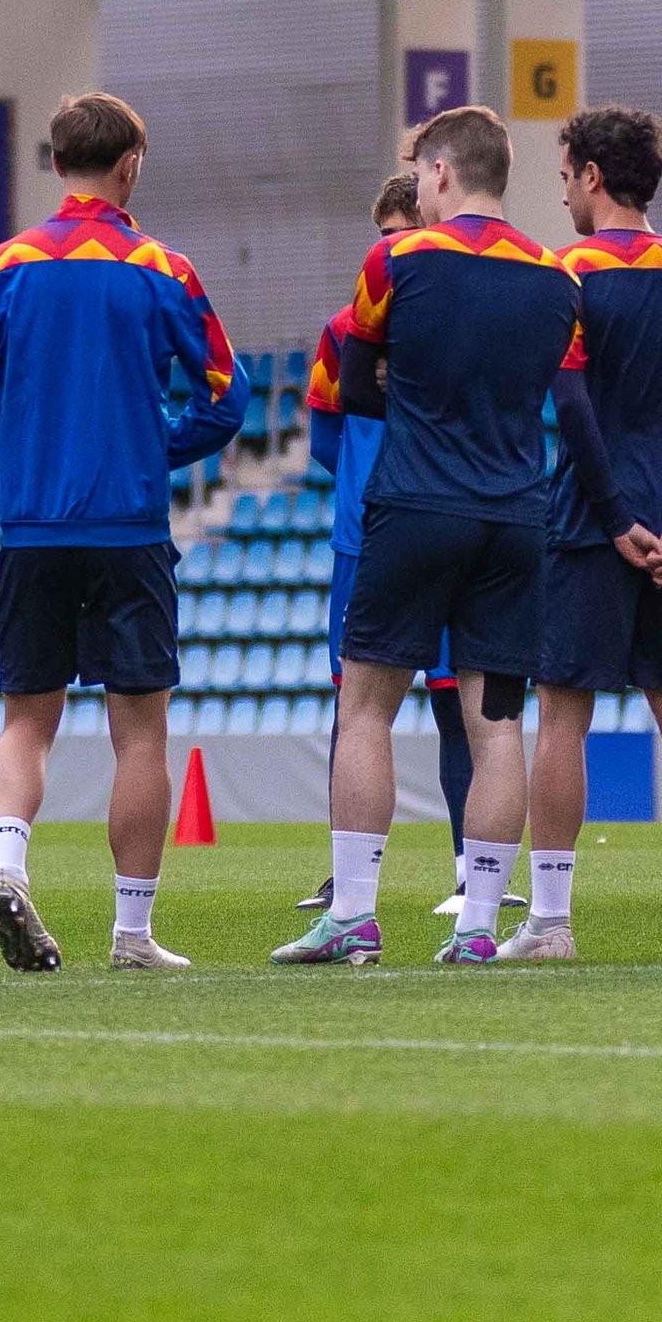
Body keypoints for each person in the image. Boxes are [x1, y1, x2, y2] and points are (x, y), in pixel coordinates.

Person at [276, 104, 575, 969]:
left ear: (441, 171)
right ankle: (478, 926)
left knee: (365, 705)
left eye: (419, 176)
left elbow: (357, 376)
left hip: (414, 502)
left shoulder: (396, 258)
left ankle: (354, 918)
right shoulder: (557, 277)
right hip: (517, 512)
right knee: (497, 727)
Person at [0, 91, 239, 971]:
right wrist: (157, 445)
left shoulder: (1, 267)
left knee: (26, 720)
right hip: (129, 526)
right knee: (140, 731)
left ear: (54, 164)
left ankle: (6, 867)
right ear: (130, 166)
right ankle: (131, 933)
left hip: (33, 528)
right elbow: (224, 396)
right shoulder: (165, 268)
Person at [521, 105, 662, 961]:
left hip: (591, 524)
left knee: (561, 720)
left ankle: (550, 922)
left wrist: (616, 518)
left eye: (565, 176)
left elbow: (571, 402)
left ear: (589, 174)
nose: (566, 194)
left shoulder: (564, 273)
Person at [295, 174, 480, 919]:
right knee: (356, 706)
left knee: (456, 708)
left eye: (405, 237)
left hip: (439, 525)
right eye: (385, 240)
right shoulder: (344, 329)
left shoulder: (457, 321)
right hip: (365, 540)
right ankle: (348, 876)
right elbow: (323, 438)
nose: (393, 254)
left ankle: (472, 868)